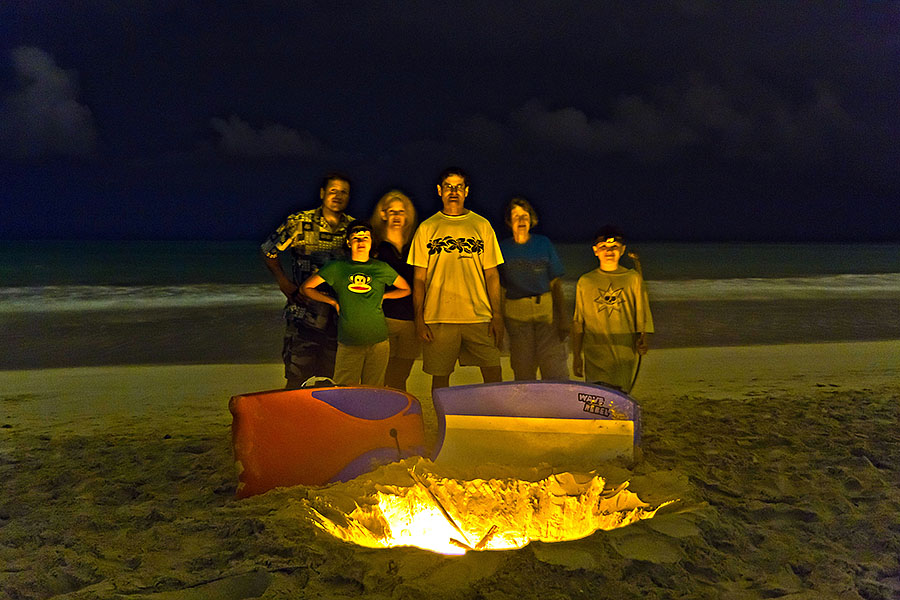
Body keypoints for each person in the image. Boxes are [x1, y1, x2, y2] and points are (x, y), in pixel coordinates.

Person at [408, 167, 504, 391]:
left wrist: (497, 314)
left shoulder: (481, 225)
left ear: (466, 191)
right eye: (449, 187)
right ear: (440, 191)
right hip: (438, 317)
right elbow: (419, 279)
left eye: (459, 187)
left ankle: (493, 418)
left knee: (493, 372)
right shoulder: (427, 228)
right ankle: (445, 422)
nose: (454, 191)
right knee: (440, 379)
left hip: (479, 316)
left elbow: (491, 274)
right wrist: (419, 319)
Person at [261, 173, 353, 389]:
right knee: (296, 376)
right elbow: (268, 250)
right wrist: (283, 282)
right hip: (304, 312)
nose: (338, 196)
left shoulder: (353, 228)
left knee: (331, 380)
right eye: (333, 191)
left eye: (343, 192)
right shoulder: (299, 222)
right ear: (322, 193)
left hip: (338, 317)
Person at [301, 221, 410, 386]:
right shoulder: (337, 267)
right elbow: (307, 288)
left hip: (379, 341)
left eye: (365, 237)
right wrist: (332, 302)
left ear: (371, 241)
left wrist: (385, 296)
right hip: (349, 341)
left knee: (374, 390)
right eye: (356, 237)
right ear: (348, 242)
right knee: (345, 389)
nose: (361, 241)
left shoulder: (381, 267)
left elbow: (405, 289)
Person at [572, 225, 653, 393]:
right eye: (603, 247)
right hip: (595, 352)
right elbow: (578, 321)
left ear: (622, 250)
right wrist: (576, 355)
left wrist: (643, 336)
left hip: (623, 352)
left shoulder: (632, 279)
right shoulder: (586, 282)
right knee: (597, 397)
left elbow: (641, 312)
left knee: (620, 396)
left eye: (614, 247)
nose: (609, 251)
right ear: (595, 250)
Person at [498, 197, 569, 380]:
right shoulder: (503, 248)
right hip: (516, 315)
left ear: (531, 220)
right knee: (523, 367)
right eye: (516, 216)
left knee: (553, 366)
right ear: (509, 221)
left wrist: (563, 318)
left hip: (545, 313)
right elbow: (499, 288)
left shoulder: (543, 244)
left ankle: (556, 406)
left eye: (525, 216)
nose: (521, 221)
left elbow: (556, 284)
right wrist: (497, 320)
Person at [369, 190, 420, 391]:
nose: (397, 216)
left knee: (402, 375)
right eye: (392, 211)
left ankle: (398, 415)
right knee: (382, 373)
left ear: (408, 215)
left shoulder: (415, 247)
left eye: (401, 211)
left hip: (411, 321)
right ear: (383, 214)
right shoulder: (375, 248)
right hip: (384, 319)